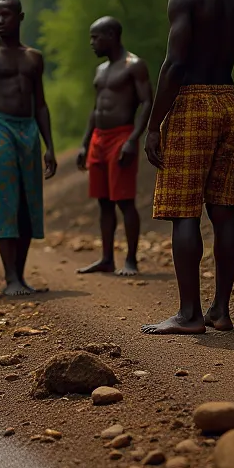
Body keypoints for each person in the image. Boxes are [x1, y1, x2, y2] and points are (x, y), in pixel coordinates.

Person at [142, 0, 234, 335]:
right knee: (222, 208)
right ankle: (221, 311)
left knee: (184, 212)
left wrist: (154, 124)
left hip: (192, 102)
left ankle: (189, 314)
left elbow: (174, 64)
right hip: (229, 102)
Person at [0, 0, 57, 296]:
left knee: (28, 201)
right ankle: (10, 279)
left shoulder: (34, 56)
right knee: (4, 198)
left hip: (29, 128)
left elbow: (41, 104)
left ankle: (20, 275)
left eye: (5, 15)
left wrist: (50, 146)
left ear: (20, 17)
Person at [76, 17, 153, 276]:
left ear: (111, 35)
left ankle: (131, 260)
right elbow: (96, 109)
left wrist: (133, 139)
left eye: (96, 37)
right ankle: (106, 259)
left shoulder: (134, 65)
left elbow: (147, 102)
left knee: (124, 201)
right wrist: (85, 143)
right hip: (99, 137)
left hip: (122, 136)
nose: (92, 43)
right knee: (104, 202)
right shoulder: (100, 70)